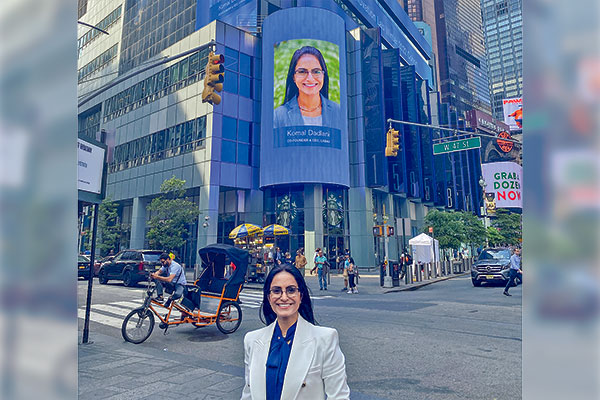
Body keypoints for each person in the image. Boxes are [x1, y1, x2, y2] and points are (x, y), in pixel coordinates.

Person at [241, 264, 350, 400]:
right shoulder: (252, 340)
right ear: (269, 298)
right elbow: (248, 394)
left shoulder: (325, 339)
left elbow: (339, 396)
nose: (284, 297)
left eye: (291, 290)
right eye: (276, 291)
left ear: (301, 295)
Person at [273, 46, 342, 128]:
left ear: (324, 75)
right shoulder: (279, 116)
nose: (310, 78)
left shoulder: (338, 112)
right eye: (302, 72)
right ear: (293, 77)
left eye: (316, 71)